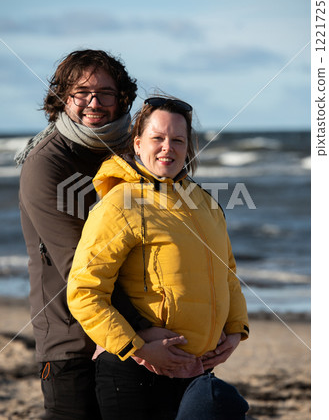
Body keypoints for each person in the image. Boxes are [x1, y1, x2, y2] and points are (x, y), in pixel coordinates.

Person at [17, 51, 194, 419]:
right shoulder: (46, 164)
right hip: (73, 341)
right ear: (63, 98)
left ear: (122, 98)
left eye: (105, 93)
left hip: (145, 332)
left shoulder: (137, 149)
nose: (93, 103)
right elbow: (76, 266)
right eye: (81, 92)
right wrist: (144, 333)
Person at [67, 96, 250, 419]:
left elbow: (227, 273)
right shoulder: (119, 205)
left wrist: (234, 331)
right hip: (133, 373)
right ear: (137, 144)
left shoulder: (205, 203)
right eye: (158, 138)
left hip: (194, 369)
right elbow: (84, 291)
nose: (168, 147)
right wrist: (137, 347)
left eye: (178, 140)